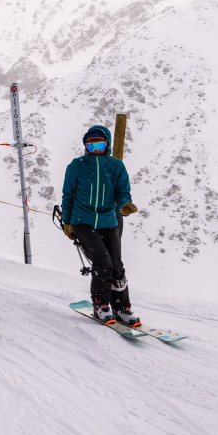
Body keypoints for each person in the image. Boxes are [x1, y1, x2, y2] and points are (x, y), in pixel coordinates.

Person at [60, 125, 140, 324]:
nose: (95, 148)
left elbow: (123, 192)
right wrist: (67, 222)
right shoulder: (76, 166)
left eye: (100, 144)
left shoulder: (116, 166)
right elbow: (68, 195)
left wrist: (124, 205)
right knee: (103, 263)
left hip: (109, 220)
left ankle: (122, 308)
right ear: (86, 146)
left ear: (107, 144)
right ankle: (101, 305)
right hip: (83, 221)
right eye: (91, 144)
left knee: (117, 267)